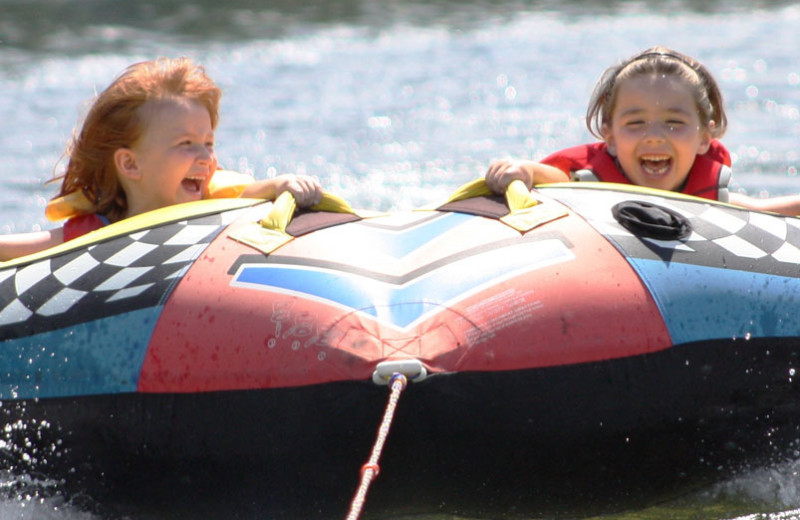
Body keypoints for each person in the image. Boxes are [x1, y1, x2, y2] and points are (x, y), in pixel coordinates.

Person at [0, 57, 323, 262]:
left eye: (208, 143)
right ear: (130, 164)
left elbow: (259, 191)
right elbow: (23, 248)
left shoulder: (213, 201)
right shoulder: (94, 233)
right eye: (186, 144)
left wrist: (284, 183)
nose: (206, 158)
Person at [485, 46, 800, 215]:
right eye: (635, 123)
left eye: (674, 123)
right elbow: (553, 178)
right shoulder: (587, 184)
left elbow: (763, 209)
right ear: (609, 135)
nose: (654, 136)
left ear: (705, 137)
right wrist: (522, 170)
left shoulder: (709, 197)